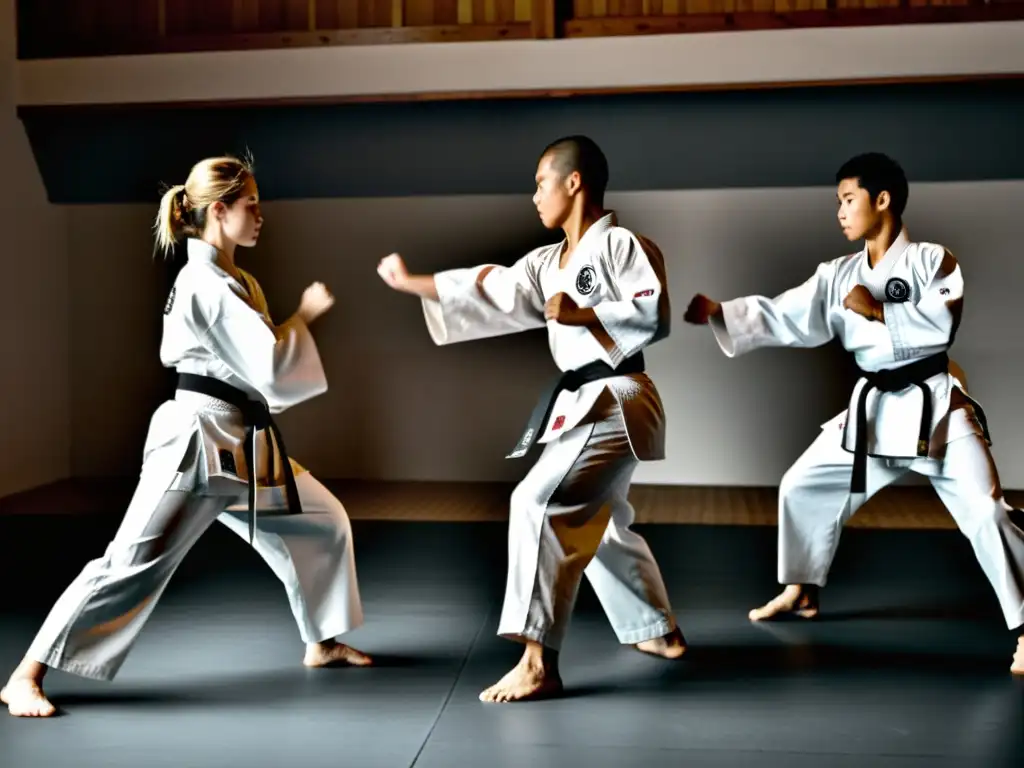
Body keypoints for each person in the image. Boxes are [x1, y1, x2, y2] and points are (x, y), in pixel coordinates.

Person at [2, 155, 371, 718]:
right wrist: (304, 315)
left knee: (322, 521)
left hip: (244, 442)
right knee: (128, 562)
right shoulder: (204, 280)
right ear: (219, 211)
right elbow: (270, 362)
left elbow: (258, 369)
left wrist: (291, 326)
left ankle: (320, 641)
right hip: (197, 444)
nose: (260, 217)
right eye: (252, 206)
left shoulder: (233, 277)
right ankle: (26, 675)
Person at [684, 152, 1024, 674]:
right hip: (873, 408)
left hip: (934, 405)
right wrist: (722, 313)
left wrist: (879, 310)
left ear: (881, 199)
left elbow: (941, 323)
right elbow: (788, 314)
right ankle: (802, 590)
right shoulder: (837, 274)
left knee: (988, 511)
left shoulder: (934, 260)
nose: (840, 212)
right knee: (801, 485)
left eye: (847, 200)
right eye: (838, 203)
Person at [376, 135, 686, 704]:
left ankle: (537, 661)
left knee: (538, 503)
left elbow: (656, 312)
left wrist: (583, 311)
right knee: (601, 522)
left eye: (541, 182)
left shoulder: (621, 244)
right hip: (581, 401)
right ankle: (657, 630)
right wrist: (411, 282)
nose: (534, 195)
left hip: (617, 393)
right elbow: (491, 288)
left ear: (574, 183)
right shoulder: (548, 262)